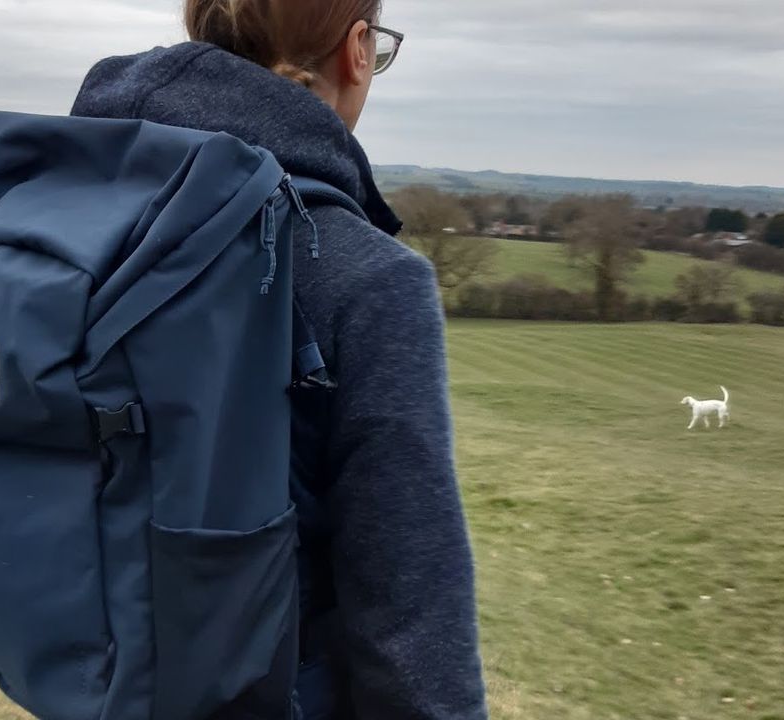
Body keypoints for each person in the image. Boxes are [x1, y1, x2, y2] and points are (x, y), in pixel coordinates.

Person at [72, 2, 488, 718]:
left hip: (92, 674)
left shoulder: (87, 207)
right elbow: (412, 622)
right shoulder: (368, 277)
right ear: (357, 49)